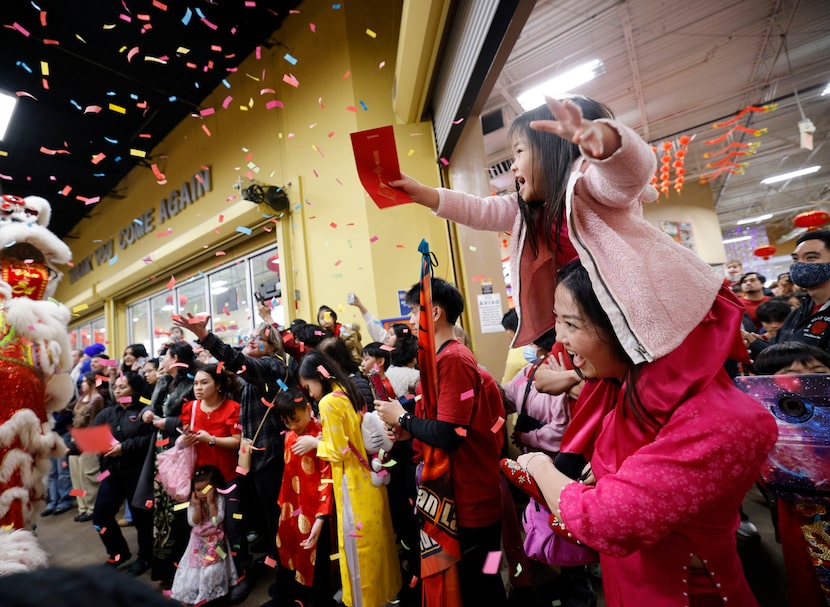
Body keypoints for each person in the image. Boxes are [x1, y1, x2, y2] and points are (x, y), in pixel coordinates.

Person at [504, 97, 777, 606]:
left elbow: (608, 518)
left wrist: (541, 469)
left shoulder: (725, 421)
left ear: (623, 325)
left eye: (568, 324)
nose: (558, 342)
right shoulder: (620, 400)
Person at [389, 97, 616, 348]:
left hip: (615, 305)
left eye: (520, 152)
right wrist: (422, 193)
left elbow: (625, 174)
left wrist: (609, 144)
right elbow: (479, 209)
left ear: (555, 150)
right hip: (580, 314)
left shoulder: (593, 186)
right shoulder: (529, 208)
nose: (513, 165)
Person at [375, 278, 507, 607]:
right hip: (468, 494)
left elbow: (450, 434)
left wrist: (403, 418)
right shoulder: (442, 359)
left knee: (483, 583)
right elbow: (445, 424)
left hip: (471, 499)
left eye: (413, 311)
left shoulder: (453, 359)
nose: (408, 320)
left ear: (434, 313)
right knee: (481, 579)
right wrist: (410, 430)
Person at [173, 314, 296, 603]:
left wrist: (206, 337)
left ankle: (289, 583)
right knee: (264, 522)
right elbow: (234, 366)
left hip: (269, 458)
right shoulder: (255, 373)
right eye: (249, 336)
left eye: (257, 338)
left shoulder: (271, 367)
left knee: (275, 520)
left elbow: (238, 361)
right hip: (256, 458)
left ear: (271, 347)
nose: (250, 340)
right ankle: (277, 572)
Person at [298, 351, 401, 607]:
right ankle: (385, 595)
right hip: (370, 478)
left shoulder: (328, 403)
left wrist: (313, 442)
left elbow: (338, 451)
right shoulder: (347, 391)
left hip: (351, 485)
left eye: (308, 386)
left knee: (357, 552)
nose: (309, 393)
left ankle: (363, 601)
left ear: (317, 378)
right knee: (379, 545)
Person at [745, 341, 830, 606]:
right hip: (799, 512)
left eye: (818, 373)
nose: (807, 383)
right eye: (792, 375)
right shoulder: (760, 419)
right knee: (808, 580)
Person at [267, 388, 335, 607]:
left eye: (295, 420)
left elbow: (327, 479)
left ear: (308, 408)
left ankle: (312, 599)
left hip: (314, 510)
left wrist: (321, 517)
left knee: (314, 557)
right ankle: (291, 592)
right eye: (287, 422)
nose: (293, 426)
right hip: (290, 507)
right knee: (288, 549)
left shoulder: (322, 436)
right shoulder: (289, 436)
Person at [91, 371, 154, 575]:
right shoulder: (109, 412)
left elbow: (150, 440)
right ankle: (118, 553)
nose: (117, 390)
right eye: (116, 387)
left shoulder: (145, 411)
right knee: (100, 516)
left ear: (134, 389)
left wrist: (125, 447)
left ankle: (145, 558)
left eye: (122, 387)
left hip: (138, 473)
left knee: (142, 520)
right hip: (111, 473)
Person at [169, 465, 238, 606]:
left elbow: (216, 520)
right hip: (198, 541)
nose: (202, 493)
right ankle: (192, 593)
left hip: (215, 540)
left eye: (206, 489)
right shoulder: (194, 503)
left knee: (212, 568)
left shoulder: (218, 500)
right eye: (198, 490)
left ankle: (211, 593)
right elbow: (194, 522)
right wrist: (197, 507)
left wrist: (211, 504)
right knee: (194, 569)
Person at [68, 371, 106, 522]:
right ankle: (82, 507)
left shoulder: (97, 400)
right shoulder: (82, 397)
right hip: (75, 438)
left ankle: (92, 508)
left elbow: (95, 422)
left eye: (84, 382)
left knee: (89, 475)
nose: (82, 384)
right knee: (76, 475)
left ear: (91, 383)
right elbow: (67, 408)